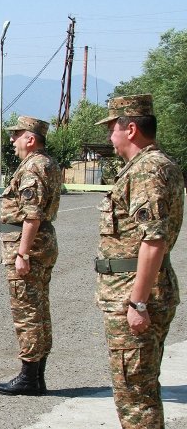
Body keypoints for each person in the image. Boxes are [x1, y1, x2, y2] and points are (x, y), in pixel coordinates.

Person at [94, 94, 184, 428]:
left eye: (111, 129)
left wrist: (138, 303)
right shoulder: (155, 165)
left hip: (135, 294)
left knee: (135, 394)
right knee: (139, 386)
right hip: (137, 291)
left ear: (130, 129)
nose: (109, 137)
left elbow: (154, 239)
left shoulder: (147, 170)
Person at [0, 116, 61, 396]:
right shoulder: (48, 163)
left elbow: (31, 216)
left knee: (27, 312)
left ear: (31, 138)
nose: (12, 140)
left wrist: (22, 253)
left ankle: (29, 378)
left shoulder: (33, 167)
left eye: (16, 135)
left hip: (28, 247)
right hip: (41, 244)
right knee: (39, 309)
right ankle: (36, 376)